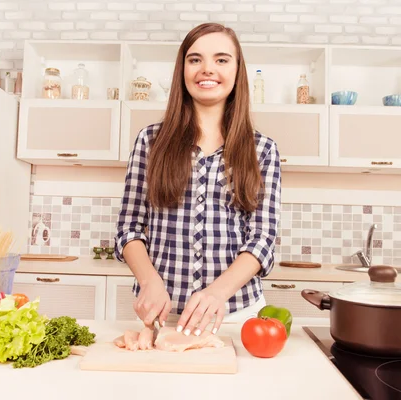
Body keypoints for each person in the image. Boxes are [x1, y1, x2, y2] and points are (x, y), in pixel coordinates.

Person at [114, 22, 281, 337]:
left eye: (221, 60)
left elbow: (262, 239)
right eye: (195, 59)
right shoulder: (150, 141)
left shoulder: (263, 150)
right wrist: (149, 282)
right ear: (182, 70)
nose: (207, 69)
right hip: (160, 315)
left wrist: (217, 293)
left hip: (235, 316)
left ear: (237, 70)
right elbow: (128, 228)